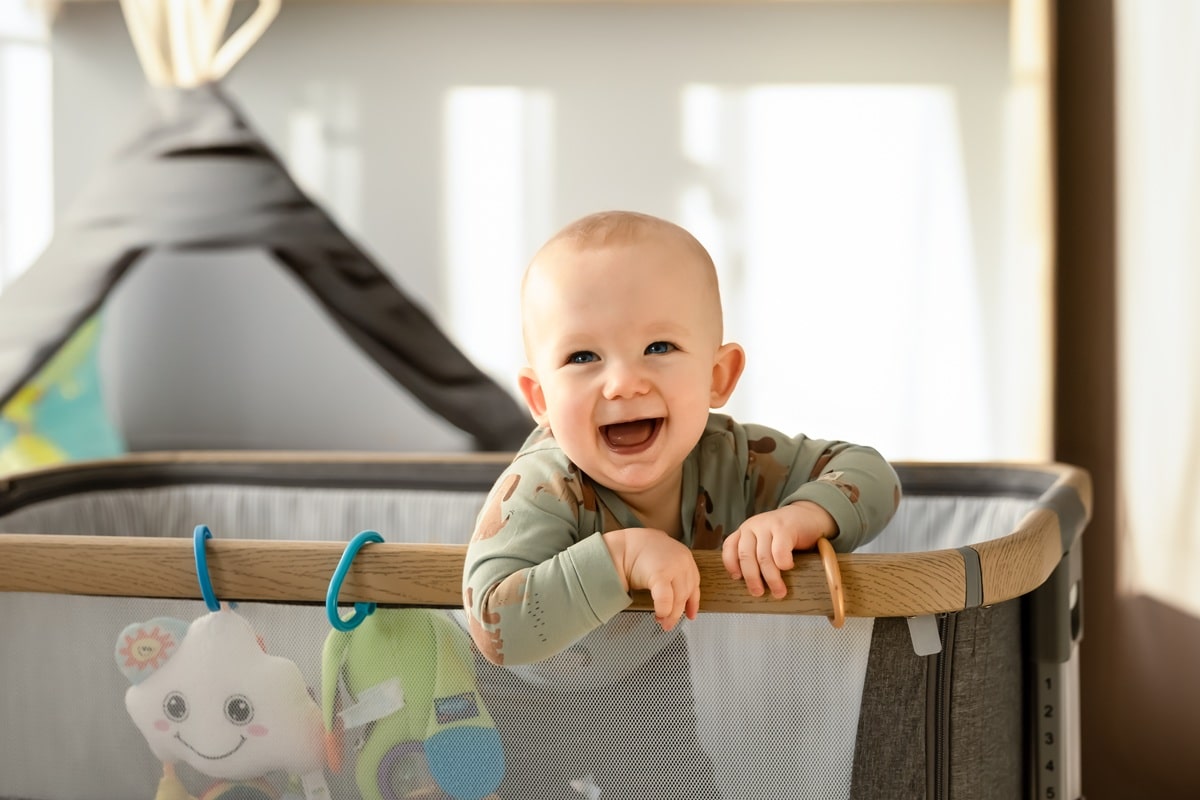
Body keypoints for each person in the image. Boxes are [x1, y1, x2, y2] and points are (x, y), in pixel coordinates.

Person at [462, 209, 902, 666]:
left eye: (658, 347)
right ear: (541, 399)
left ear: (718, 376)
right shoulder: (543, 486)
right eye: (583, 356)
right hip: (513, 695)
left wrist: (802, 517)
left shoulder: (732, 458)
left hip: (660, 683)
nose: (623, 384)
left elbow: (870, 472)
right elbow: (494, 623)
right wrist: (622, 558)